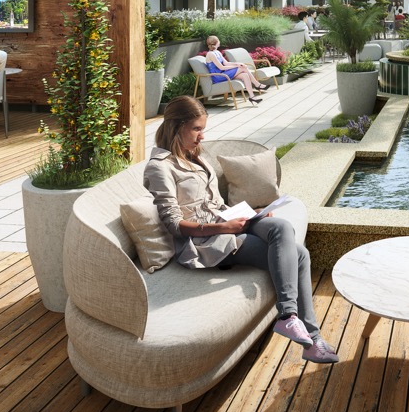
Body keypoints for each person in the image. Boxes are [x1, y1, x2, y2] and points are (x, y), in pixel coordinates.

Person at [145, 96, 339, 363]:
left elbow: (214, 203)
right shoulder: (159, 167)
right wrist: (223, 226)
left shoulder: (195, 158)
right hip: (206, 243)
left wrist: (249, 215)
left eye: (203, 128)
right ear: (176, 126)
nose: (202, 136)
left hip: (226, 223)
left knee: (281, 226)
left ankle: (295, 323)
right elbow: (174, 224)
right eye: (196, 129)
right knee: (298, 255)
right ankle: (307, 334)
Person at [204, 35, 265, 103]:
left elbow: (226, 63)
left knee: (245, 75)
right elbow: (221, 67)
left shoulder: (217, 52)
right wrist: (237, 66)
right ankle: (257, 84)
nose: (219, 41)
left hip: (223, 73)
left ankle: (252, 97)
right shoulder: (210, 54)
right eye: (218, 40)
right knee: (243, 68)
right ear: (216, 42)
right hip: (218, 76)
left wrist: (237, 63)